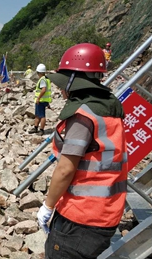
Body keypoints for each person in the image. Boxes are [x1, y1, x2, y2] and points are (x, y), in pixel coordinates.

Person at [37, 43, 128, 258]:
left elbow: (65, 169)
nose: (61, 90)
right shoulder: (108, 106)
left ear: (73, 82)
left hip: (81, 217)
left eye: (63, 84)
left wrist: (48, 206)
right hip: (107, 212)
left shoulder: (83, 116)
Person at [28, 63, 52, 136]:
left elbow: (43, 90)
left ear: (38, 72)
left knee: (42, 116)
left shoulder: (42, 80)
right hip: (44, 100)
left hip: (41, 101)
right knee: (38, 115)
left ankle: (41, 130)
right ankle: (35, 128)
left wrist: (38, 98)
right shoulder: (46, 79)